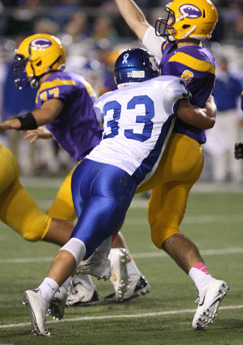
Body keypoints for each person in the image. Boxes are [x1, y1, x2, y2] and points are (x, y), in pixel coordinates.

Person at [22, 47, 216, 337]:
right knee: (81, 243)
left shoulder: (107, 97)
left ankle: (68, 288)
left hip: (85, 170)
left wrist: (50, 131)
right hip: (117, 175)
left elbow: (87, 125)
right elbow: (201, 118)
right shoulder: (166, 86)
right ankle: (45, 291)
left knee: (96, 243)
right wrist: (209, 102)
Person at [88, 0, 229, 330]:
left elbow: (181, 109)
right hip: (184, 154)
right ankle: (206, 281)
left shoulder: (194, 58)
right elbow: (136, 22)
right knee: (163, 230)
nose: (164, 22)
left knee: (99, 190)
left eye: (174, 15)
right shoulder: (179, 51)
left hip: (175, 149)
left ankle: (95, 260)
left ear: (189, 21)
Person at [0, 33, 150, 306]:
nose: (22, 66)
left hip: (95, 161)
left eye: (26, 60)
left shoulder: (55, 81)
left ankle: (82, 285)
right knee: (100, 225)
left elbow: (48, 112)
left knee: (65, 223)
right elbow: (73, 118)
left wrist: (9, 124)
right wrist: (50, 131)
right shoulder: (67, 79)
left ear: (40, 60)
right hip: (99, 157)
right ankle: (131, 276)